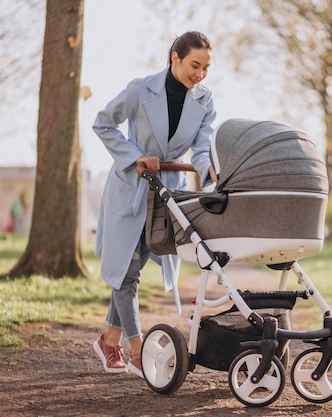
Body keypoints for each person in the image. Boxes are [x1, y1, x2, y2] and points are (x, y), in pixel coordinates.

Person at [91, 31, 217, 377]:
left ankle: (109, 338)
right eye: (195, 65)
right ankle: (136, 350)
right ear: (174, 57)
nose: (200, 75)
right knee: (127, 272)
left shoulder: (205, 101)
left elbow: (203, 149)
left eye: (206, 68)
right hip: (130, 189)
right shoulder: (139, 90)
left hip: (165, 194)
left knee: (135, 268)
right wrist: (135, 157)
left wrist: (211, 175)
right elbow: (103, 123)